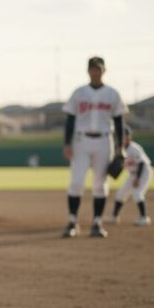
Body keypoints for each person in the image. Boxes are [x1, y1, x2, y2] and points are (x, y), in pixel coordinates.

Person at [61, 56, 127, 238]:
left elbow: (119, 121)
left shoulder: (112, 94)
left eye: (98, 68)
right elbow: (70, 120)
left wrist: (120, 147)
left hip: (104, 140)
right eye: (92, 69)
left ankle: (97, 223)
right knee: (76, 182)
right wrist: (67, 143)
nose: (95, 72)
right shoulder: (79, 93)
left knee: (100, 184)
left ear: (104, 70)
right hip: (81, 141)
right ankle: (72, 221)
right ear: (88, 71)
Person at [108, 126, 153, 226]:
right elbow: (120, 167)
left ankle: (144, 218)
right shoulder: (119, 149)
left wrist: (137, 178)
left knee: (137, 194)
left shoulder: (134, 148)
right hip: (133, 174)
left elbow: (141, 163)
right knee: (120, 194)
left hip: (143, 172)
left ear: (128, 137)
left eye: (124, 136)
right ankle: (114, 217)